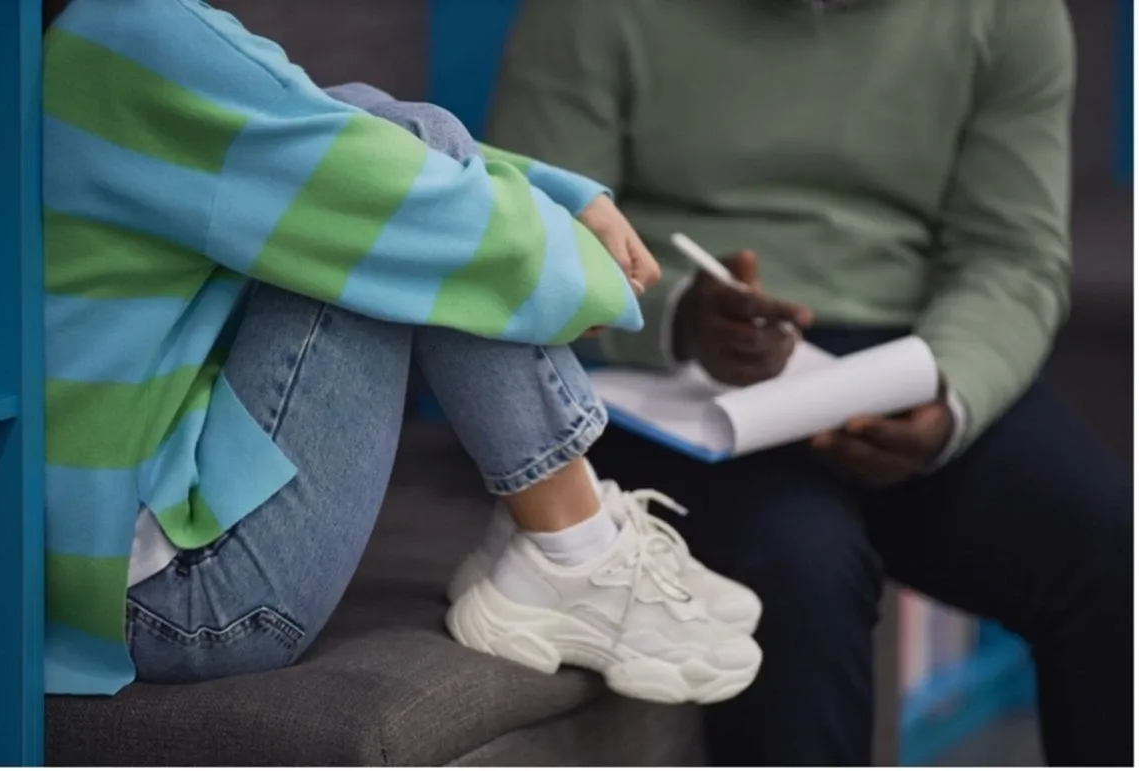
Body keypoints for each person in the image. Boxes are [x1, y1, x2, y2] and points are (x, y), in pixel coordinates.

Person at [42, 0, 766, 706]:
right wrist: (589, 275)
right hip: (179, 604)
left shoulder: (67, 38)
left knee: (402, 144)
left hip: (91, 568)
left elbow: (317, 119)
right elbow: (385, 182)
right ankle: (574, 549)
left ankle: (570, 543)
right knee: (401, 193)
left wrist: (560, 194)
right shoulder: (133, 31)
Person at [483, 0, 1133, 765]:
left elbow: (1014, 255)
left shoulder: (1006, 15)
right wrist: (675, 315)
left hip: (911, 351)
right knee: (800, 575)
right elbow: (526, 247)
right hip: (665, 374)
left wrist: (950, 395)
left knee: (1112, 553)